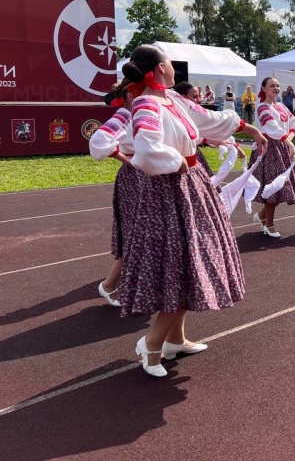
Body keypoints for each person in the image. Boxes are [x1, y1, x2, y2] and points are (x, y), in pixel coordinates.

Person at [120, 44, 267, 378]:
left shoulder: (175, 100)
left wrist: (250, 128)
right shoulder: (146, 103)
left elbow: (211, 120)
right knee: (189, 265)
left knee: (190, 262)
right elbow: (145, 148)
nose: (174, 68)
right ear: (159, 69)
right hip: (171, 190)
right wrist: (176, 162)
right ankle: (152, 344)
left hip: (189, 187)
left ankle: (175, 339)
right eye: (169, 63)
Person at [89, 80, 141, 307]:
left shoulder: (140, 113)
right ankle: (111, 285)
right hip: (135, 178)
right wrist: (126, 160)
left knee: (142, 234)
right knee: (136, 234)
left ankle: (126, 285)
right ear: (130, 95)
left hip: (145, 176)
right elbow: (99, 141)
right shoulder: (124, 115)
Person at [250, 77, 295, 238]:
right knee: (272, 187)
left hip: (282, 147)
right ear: (264, 88)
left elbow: (294, 122)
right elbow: (271, 127)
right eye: (271, 85)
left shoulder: (281, 106)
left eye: (277, 85)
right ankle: (269, 224)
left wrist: (289, 140)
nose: (275, 88)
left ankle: (261, 216)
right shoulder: (262, 107)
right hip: (269, 149)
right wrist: (288, 142)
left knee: (281, 187)